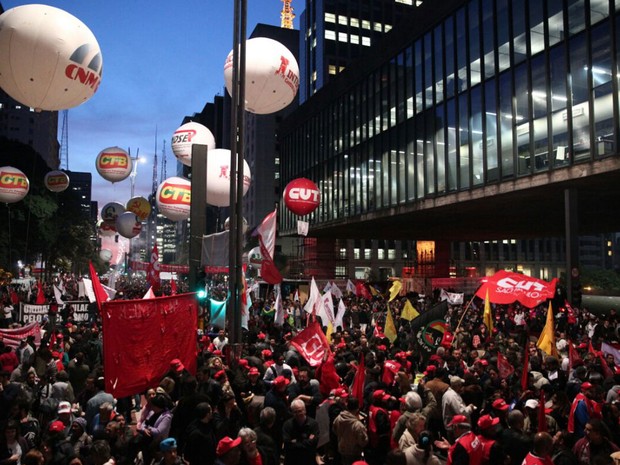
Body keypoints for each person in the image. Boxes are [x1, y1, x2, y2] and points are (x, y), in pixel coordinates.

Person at [282, 399, 320, 465]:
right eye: (295, 412)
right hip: (292, 461)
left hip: (308, 460)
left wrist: (296, 442)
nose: (298, 414)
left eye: (300, 411)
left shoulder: (313, 424)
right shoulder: (287, 425)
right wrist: (306, 442)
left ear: (305, 410)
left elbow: (313, 442)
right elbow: (287, 444)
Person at [332, 397, 368, 465]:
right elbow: (363, 442)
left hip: (342, 449)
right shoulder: (358, 425)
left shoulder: (339, 418)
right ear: (357, 408)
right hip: (354, 453)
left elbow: (334, 430)